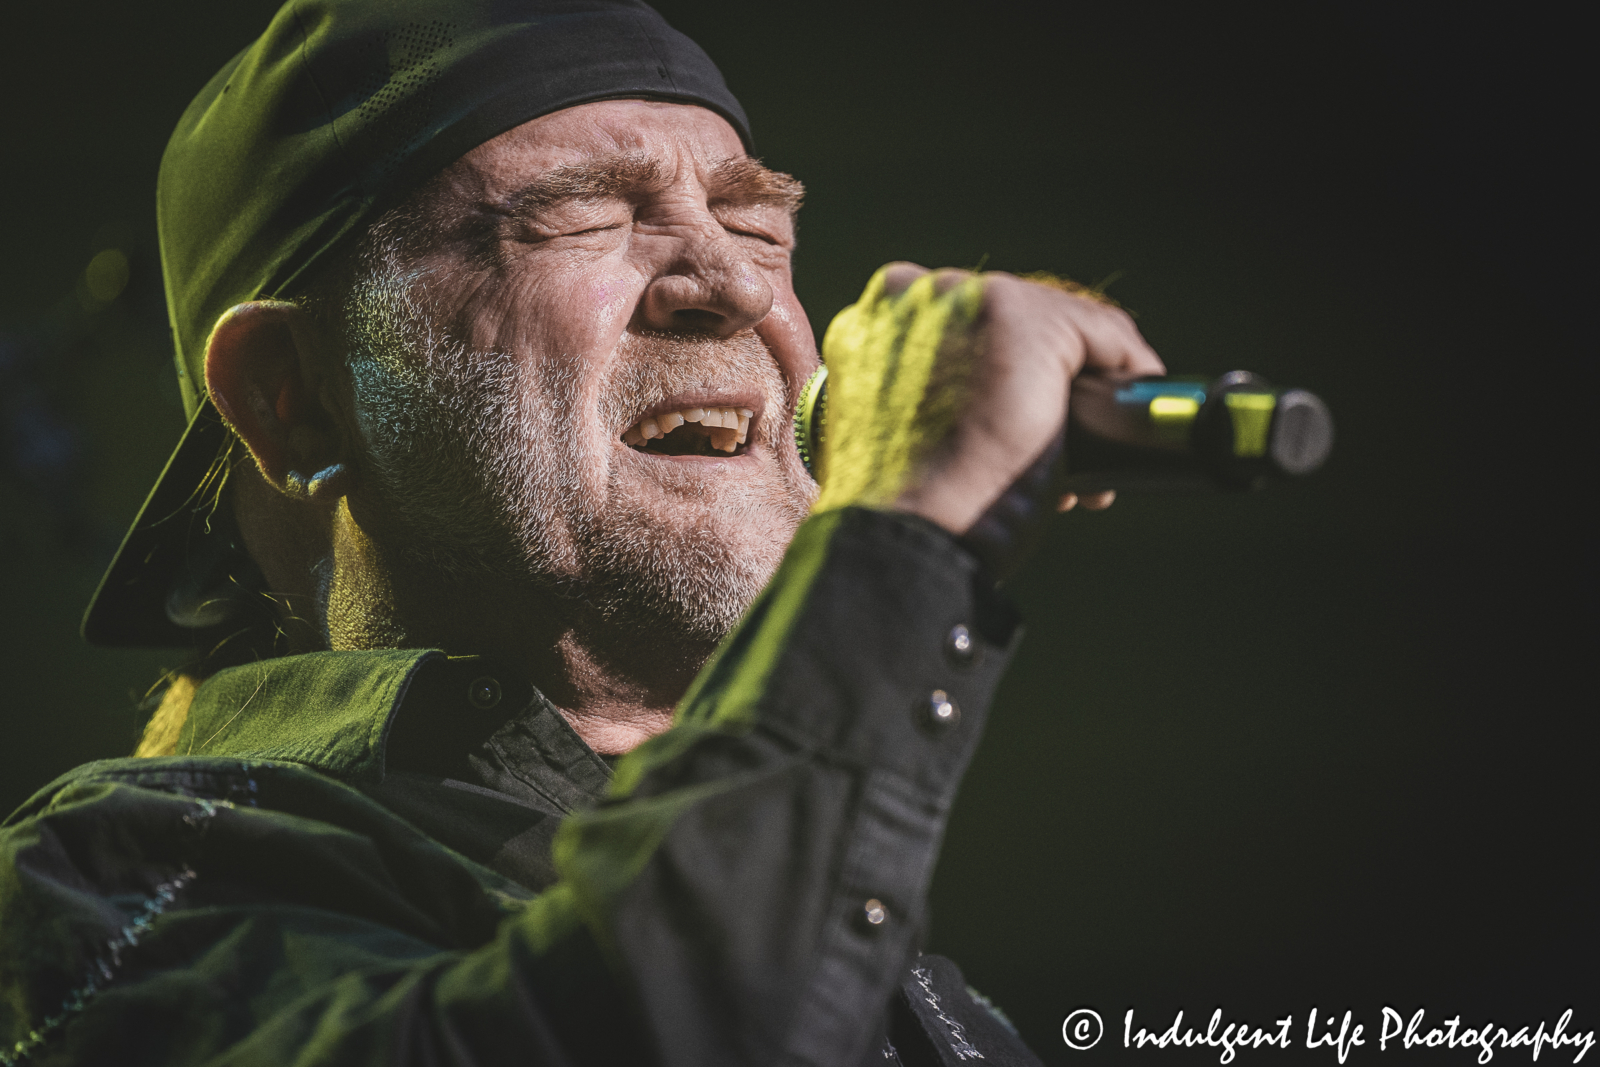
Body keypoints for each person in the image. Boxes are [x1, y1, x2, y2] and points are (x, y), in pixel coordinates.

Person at [0, 1, 1163, 1063]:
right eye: (581, 215)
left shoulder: (927, 992)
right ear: (290, 394)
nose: (733, 285)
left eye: (757, 226)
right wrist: (903, 546)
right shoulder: (113, 891)